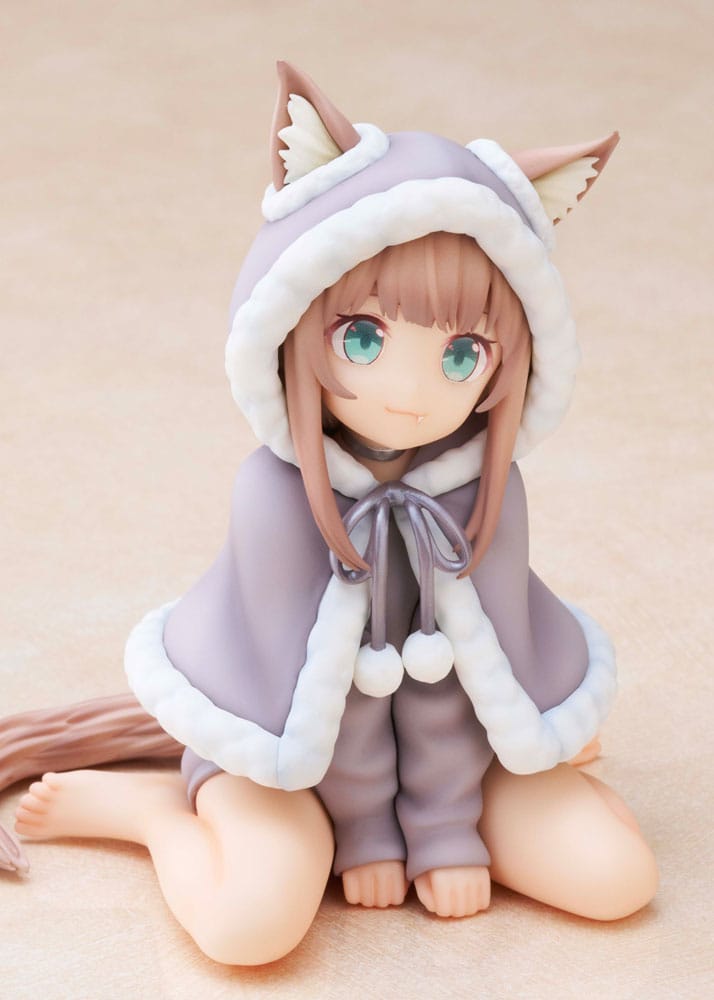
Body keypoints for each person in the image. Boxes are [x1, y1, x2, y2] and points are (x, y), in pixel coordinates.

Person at [6, 62, 657, 966]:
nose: (410, 394)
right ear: (290, 328)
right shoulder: (277, 498)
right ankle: (153, 814)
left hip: (462, 764)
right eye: (363, 338)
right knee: (249, 927)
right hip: (286, 758)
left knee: (619, 880)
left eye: (462, 356)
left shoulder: (486, 493)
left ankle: (480, 810)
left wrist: (447, 829)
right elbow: (311, 681)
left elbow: (472, 658)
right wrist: (367, 835)